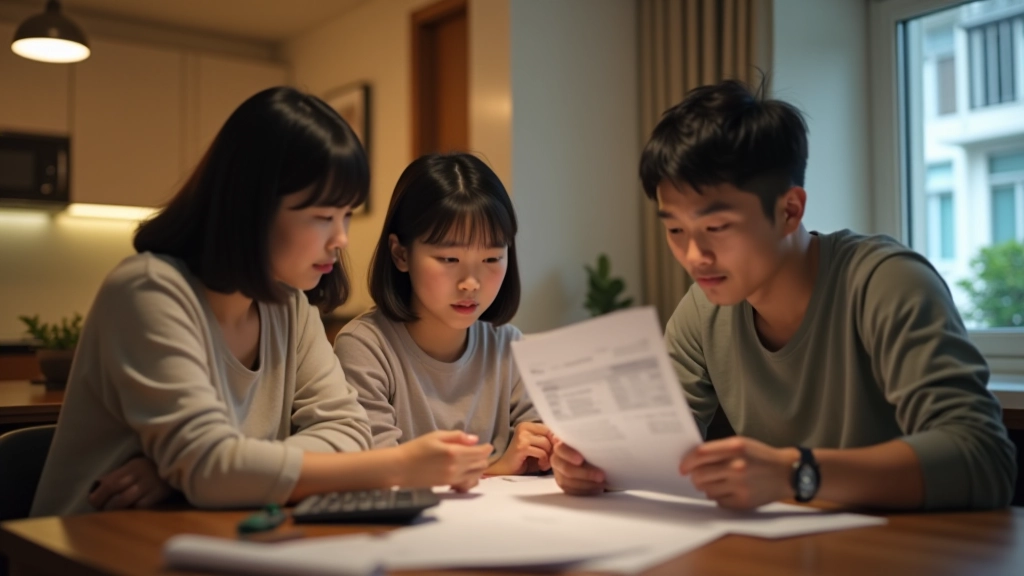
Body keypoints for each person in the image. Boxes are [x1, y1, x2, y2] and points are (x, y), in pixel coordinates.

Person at [549, 80, 1017, 510]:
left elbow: (983, 455)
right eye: (675, 229)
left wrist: (797, 474)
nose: (695, 255)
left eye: (717, 227)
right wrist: (597, 466)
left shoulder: (884, 283)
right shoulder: (702, 309)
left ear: (790, 210)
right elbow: (659, 452)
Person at [31, 87, 491, 517]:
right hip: (89, 546)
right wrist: (397, 467)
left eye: (346, 215)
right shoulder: (149, 291)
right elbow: (210, 467)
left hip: (205, 533)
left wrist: (194, 473)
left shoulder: (288, 306)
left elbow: (350, 434)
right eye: (322, 217)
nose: (341, 239)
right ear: (252, 207)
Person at [335, 153, 551, 476]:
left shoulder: (510, 349)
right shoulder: (366, 348)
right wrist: (497, 467)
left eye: (492, 259)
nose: (470, 283)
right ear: (400, 254)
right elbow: (378, 471)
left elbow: (539, 452)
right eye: (449, 259)